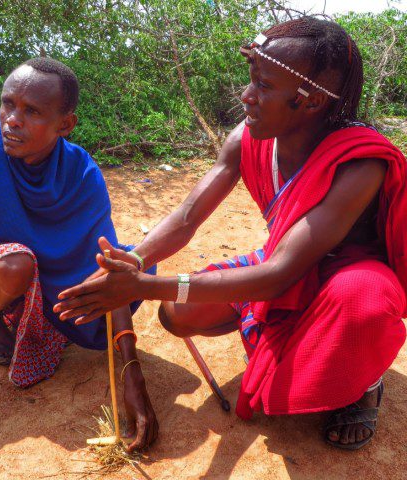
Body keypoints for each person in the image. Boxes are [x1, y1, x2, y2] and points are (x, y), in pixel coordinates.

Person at [55, 17, 407, 450]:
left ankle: (365, 383)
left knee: (363, 299)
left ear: (311, 100)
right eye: (251, 78)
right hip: (282, 262)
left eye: (264, 85)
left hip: (344, 279)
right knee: (177, 314)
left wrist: (143, 285)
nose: (246, 96)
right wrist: (137, 259)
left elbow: (278, 275)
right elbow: (188, 216)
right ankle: (286, 338)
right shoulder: (248, 137)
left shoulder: (360, 164)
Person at [0, 58, 158, 451]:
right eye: (8, 103)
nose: (12, 120)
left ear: (65, 124)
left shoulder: (80, 173)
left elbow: (110, 267)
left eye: (32, 111)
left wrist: (131, 373)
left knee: (139, 262)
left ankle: (38, 315)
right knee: (16, 263)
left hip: (48, 285)